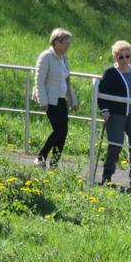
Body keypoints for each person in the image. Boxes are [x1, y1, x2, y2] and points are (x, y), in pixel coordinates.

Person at [98, 40, 131, 189]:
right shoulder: (110, 72)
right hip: (116, 114)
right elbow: (101, 93)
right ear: (115, 57)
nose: (125, 60)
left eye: (127, 56)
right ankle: (107, 173)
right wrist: (105, 110)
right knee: (116, 144)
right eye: (121, 57)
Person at [32, 28, 78, 169]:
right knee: (58, 129)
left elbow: (66, 82)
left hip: (61, 99)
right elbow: (39, 80)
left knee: (63, 131)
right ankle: (40, 159)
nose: (68, 46)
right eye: (65, 43)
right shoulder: (46, 57)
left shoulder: (64, 59)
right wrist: (43, 101)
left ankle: (54, 164)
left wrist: (72, 101)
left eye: (69, 43)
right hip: (50, 99)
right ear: (56, 42)